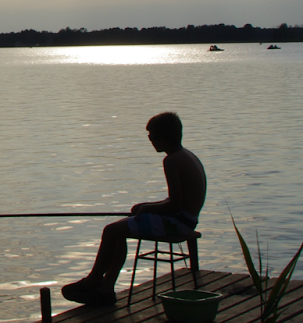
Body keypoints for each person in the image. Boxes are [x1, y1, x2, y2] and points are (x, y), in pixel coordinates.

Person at [61, 111, 206, 307]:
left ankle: (93, 281)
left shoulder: (171, 161)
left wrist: (147, 208)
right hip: (186, 220)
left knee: (111, 231)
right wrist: (147, 207)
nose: (149, 140)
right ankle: (105, 288)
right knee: (118, 230)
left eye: (151, 137)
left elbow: (175, 204)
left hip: (177, 224)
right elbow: (177, 200)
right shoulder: (186, 155)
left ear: (162, 139)